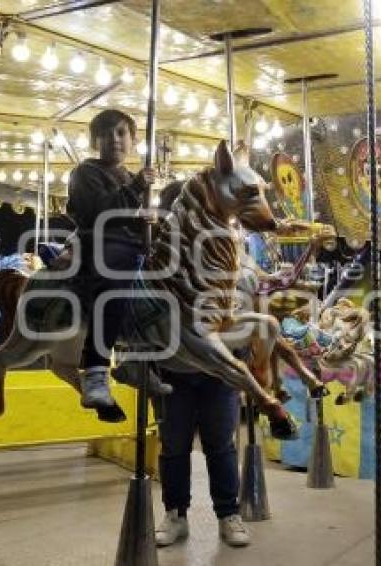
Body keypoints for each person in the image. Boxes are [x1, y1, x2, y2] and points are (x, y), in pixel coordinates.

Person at [150, 181, 251, 548]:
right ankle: (175, 513)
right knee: (173, 445)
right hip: (172, 366)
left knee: (220, 443)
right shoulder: (160, 262)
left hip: (216, 368)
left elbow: (245, 303)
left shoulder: (227, 254)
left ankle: (228, 513)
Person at [66, 109, 155, 411]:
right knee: (115, 278)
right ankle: (95, 371)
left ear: (133, 140)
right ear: (95, 141)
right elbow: (99, 212)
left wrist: (149, 222)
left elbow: (133, 218)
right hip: (100, 244)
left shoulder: (132, 177)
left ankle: (146, 361)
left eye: (121, 133)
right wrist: (134, 191)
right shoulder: (85, 171)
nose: (114, 140)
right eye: (106, 134)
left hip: (131, 246)